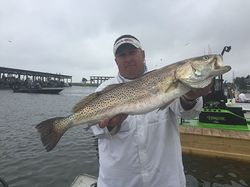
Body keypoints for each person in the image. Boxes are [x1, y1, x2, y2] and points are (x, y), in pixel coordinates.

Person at [91, 34, 211, 187]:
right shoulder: (104, 90)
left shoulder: (165, 78)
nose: (128, 58)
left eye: (132, 52)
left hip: (165, 181)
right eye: (122, 55)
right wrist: (110, 125)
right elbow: (96, 129)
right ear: (116, 61)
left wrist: (189, 98)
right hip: (119, 182)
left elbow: (188, 113)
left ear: (143, 54)